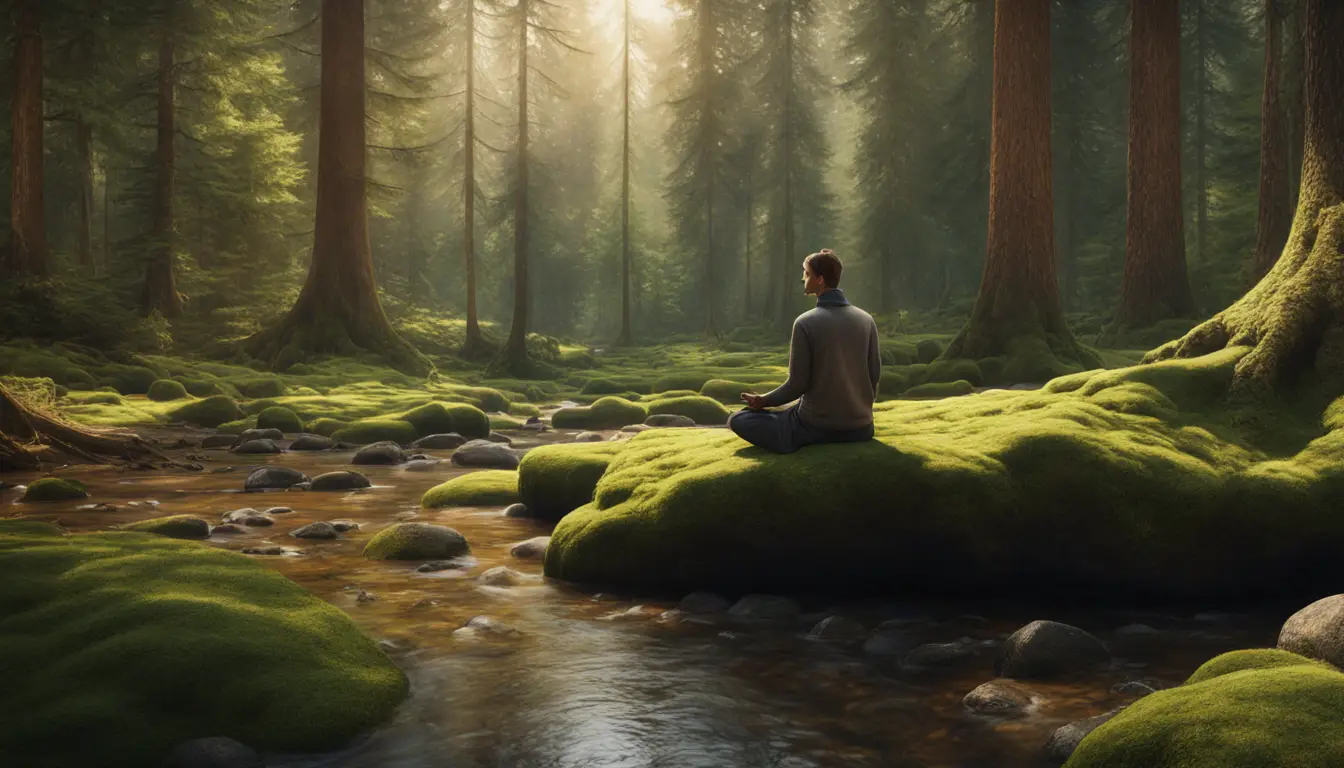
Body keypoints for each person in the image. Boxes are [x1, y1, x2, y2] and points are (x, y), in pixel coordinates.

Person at [730, 249, 880, 454]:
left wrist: (763, 400)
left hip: (815, 427)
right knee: (787, 411)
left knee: (739, 418)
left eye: (807, 273)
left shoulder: (805, 323)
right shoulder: (866, 320)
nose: (803, 278)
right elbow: (874, 374)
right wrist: (857, 411)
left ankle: (792, 440)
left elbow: (797, 384)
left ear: (820, 279)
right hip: (861, 428)